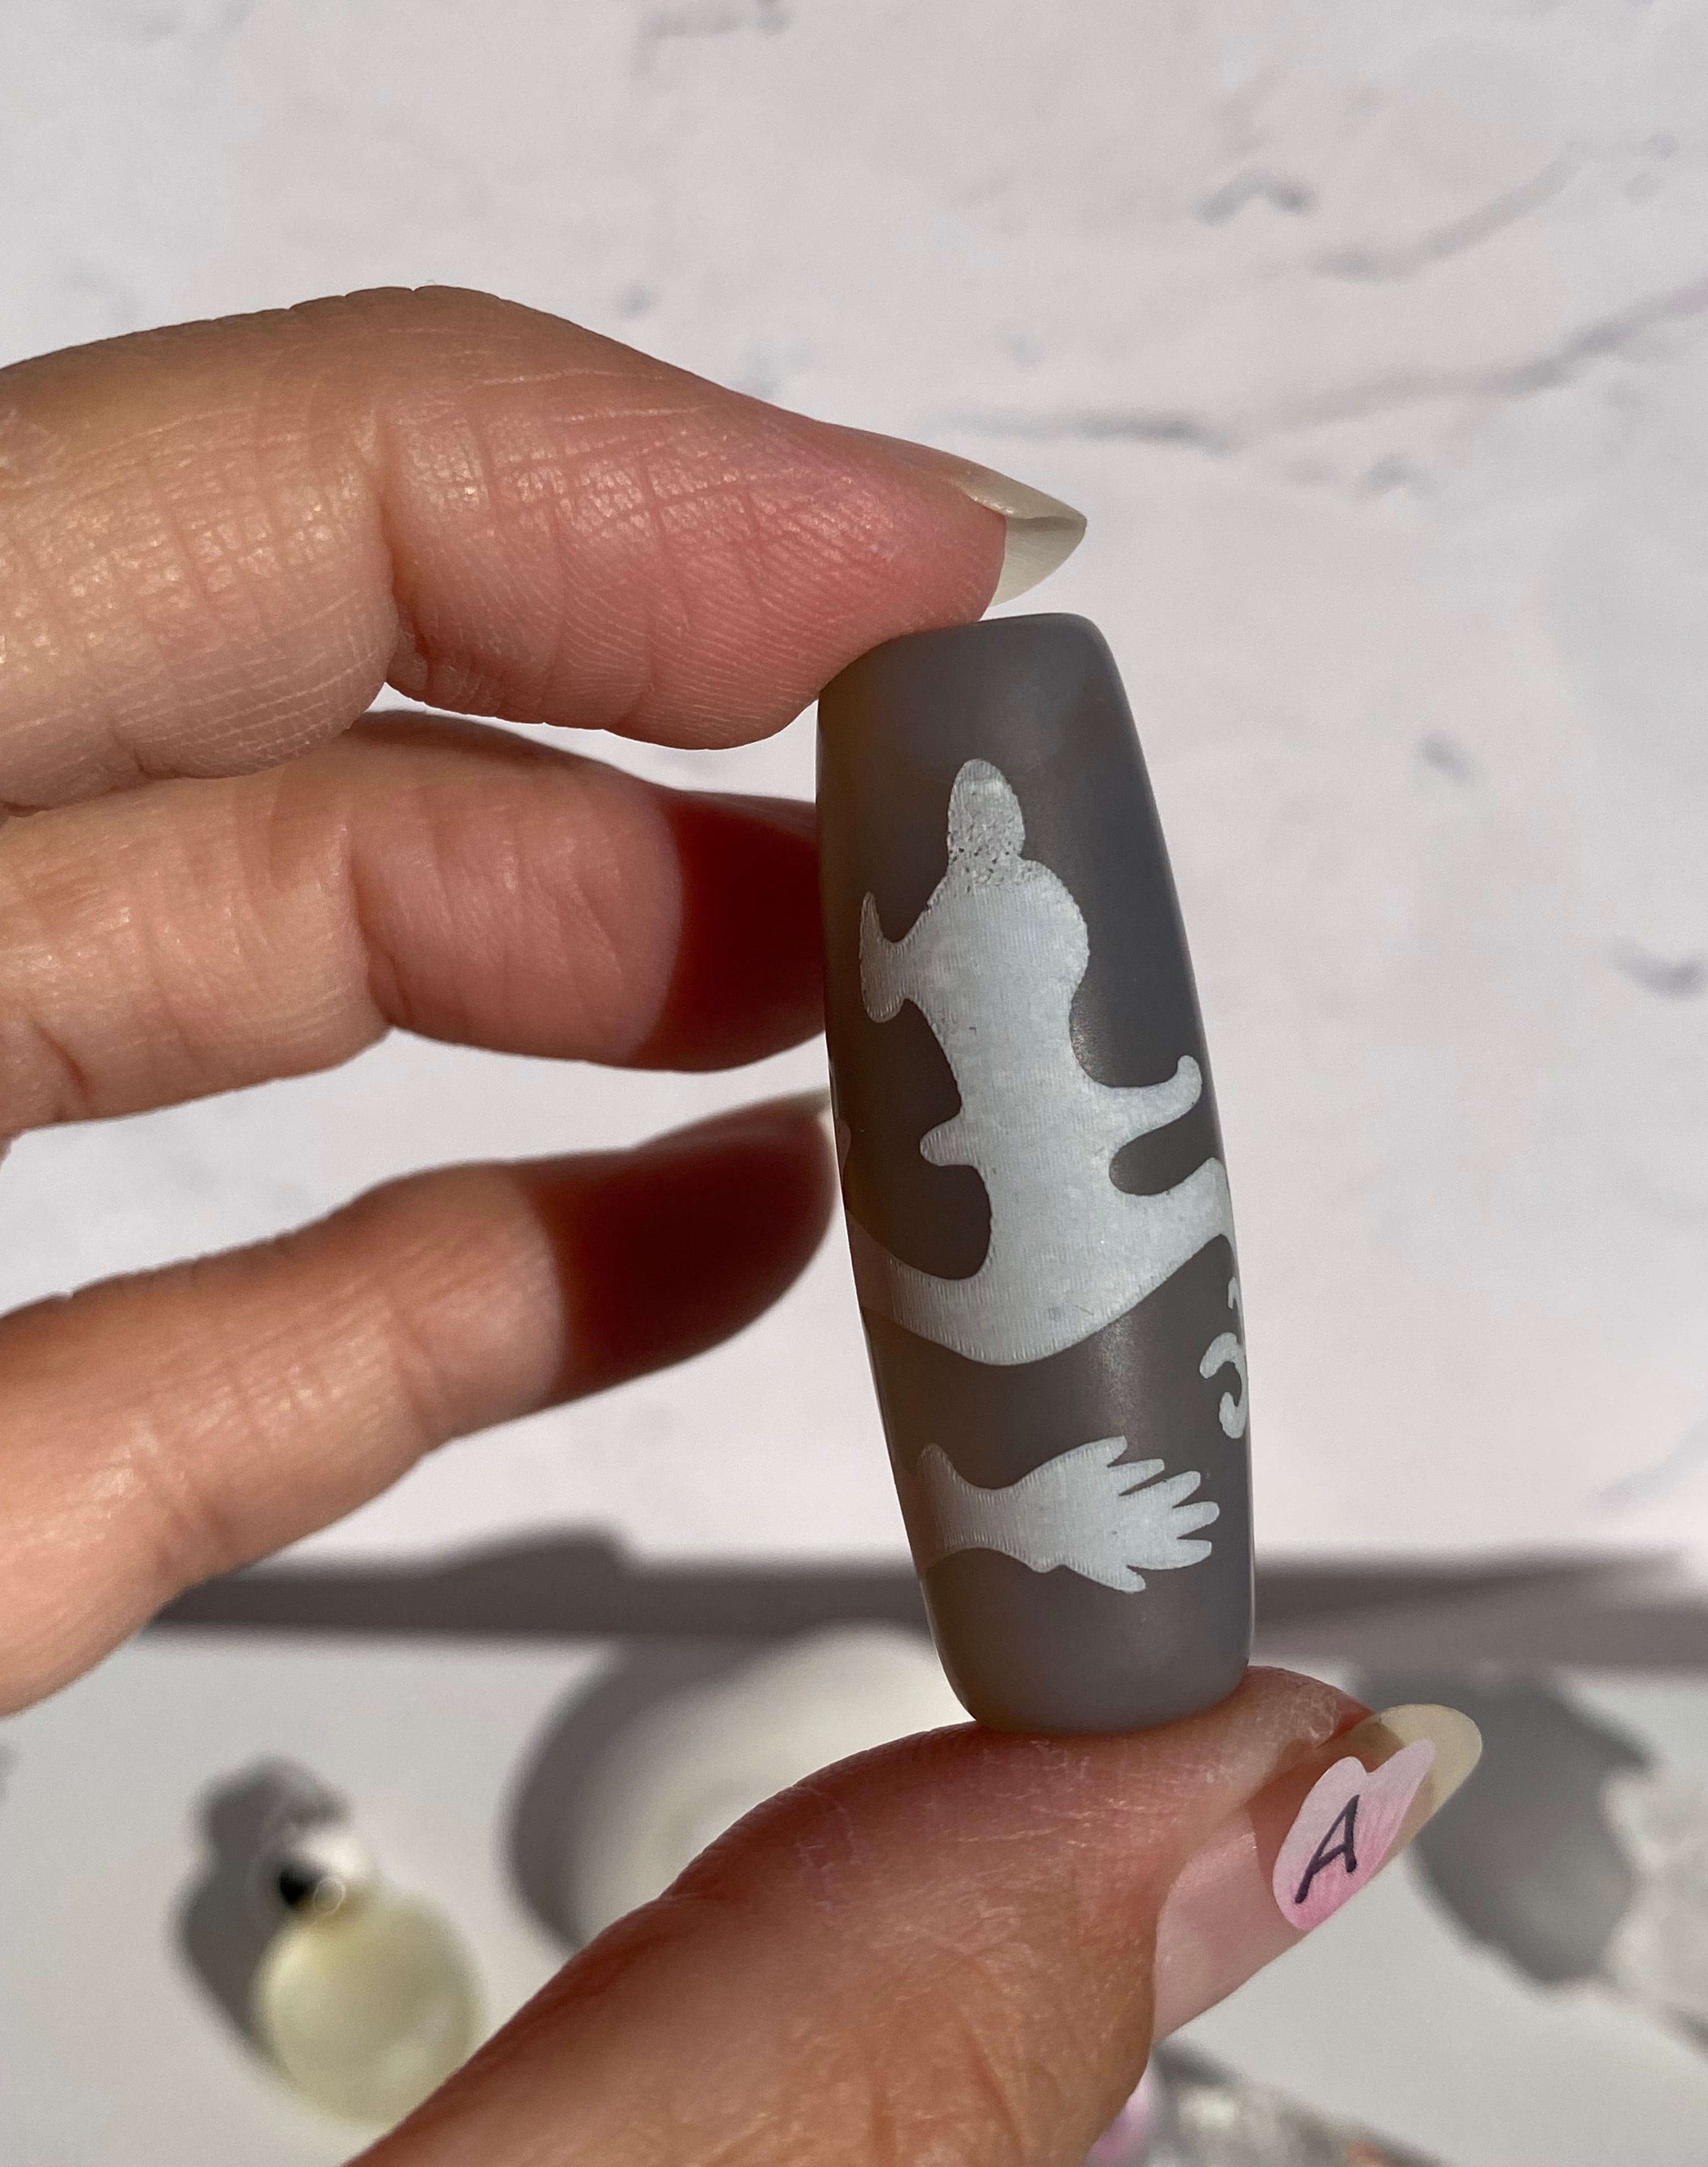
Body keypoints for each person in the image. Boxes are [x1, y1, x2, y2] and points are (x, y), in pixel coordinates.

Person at [0, 287, 1458, 2165]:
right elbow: (902, 985)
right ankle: (1028, 1497)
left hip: (1067, 1212)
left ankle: (1033, 1494)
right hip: (1024, 1230)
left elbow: (1039, 1050)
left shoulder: (1006, 891)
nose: (989, 816)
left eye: (1003, 809)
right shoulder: (948, 902)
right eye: (973, 809)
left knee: (1084, 1262)